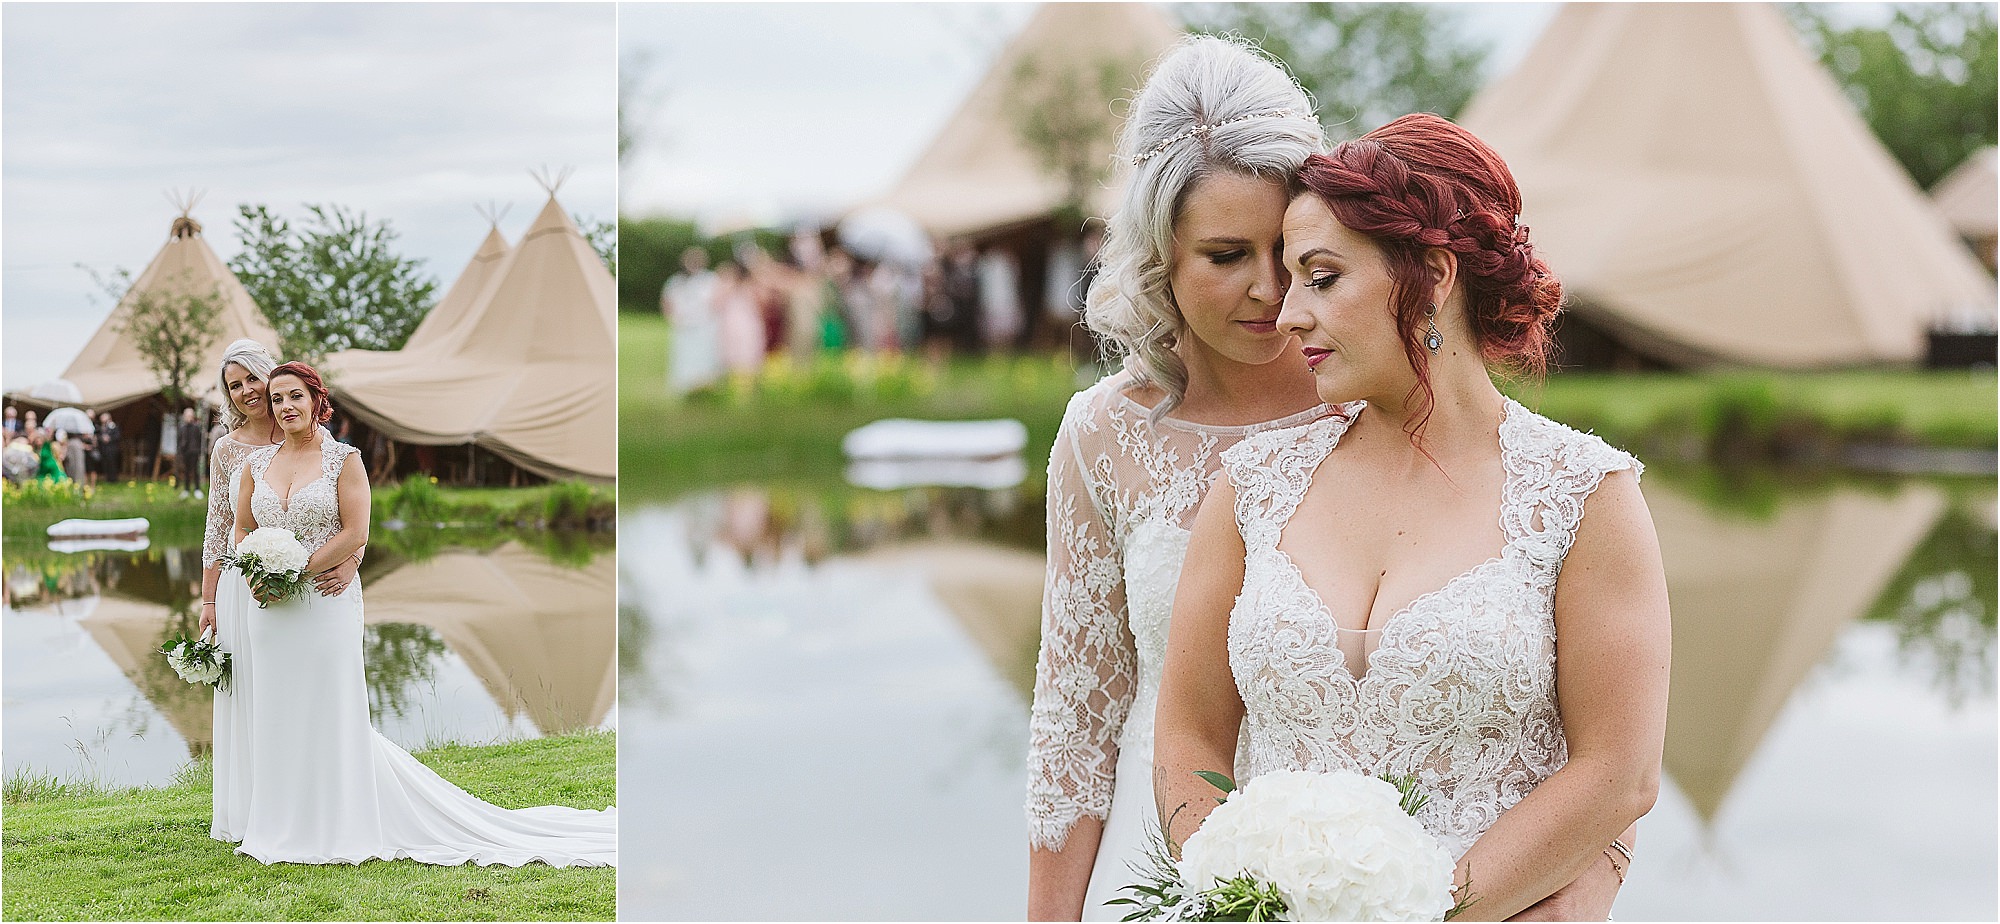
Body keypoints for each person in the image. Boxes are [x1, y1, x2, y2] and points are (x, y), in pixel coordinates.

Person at [1153, 114, 1668, 921]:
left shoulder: (1583, 495)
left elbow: (1618, 773)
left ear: (1431, 274)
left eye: (1321, 278)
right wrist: (1231, 901)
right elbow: (1188, 739)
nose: (1287, 315)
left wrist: (1429, 914)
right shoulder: (1251, 488)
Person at [1024, 35, 1339, 921]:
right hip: (1158, 865)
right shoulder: (1103, 433)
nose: (1271, 290)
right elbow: (1076, 716)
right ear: (1161, 255)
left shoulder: (1370, 403)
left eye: (1290, 248)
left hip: (1356, 860)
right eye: (1227, 255)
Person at [227, 361, 615, 866]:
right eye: (277, 400)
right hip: (270, 612)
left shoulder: (343, 461)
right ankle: (280, 823)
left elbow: (355, 533)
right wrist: (255, 570)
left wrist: (294, 573)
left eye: (294, 396)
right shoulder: (255, 467)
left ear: (316, 398)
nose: (285, 407)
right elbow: (240, 528)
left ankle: (339, 821)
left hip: (323, 600)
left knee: (329, 707)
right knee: (278, 709)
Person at [664, 246, 724, 396]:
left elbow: (718, 300)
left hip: (705, 325)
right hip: (684, 326)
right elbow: (667, 302)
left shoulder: (710, 279)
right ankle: (685, 386)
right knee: (684, 356)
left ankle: (705, 386)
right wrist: (673, 318)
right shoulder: (676, 281)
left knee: (704, 355)